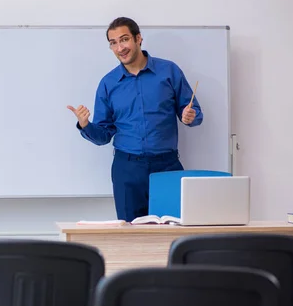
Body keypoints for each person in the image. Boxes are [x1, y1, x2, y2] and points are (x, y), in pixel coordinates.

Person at [67, 17, 203, 222]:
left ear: (138, 38)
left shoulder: (169, 72)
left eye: (124, 39)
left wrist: (189, 117)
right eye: (113, 43)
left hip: (167, 166)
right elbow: (103, 136)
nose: (120, 47)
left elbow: (195, 113)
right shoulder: (108, 83)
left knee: (173, 231)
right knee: (130, 235)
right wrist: (85, 125)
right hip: (127, 170)